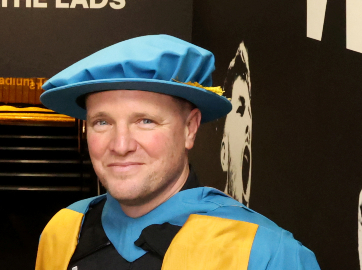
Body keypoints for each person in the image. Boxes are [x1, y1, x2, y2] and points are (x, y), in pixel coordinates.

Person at [34, 35, 318, 270]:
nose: (121, 146)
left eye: (146, 121)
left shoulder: (266, 253)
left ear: (190, 128)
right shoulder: (64, 230)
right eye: (102, 122)